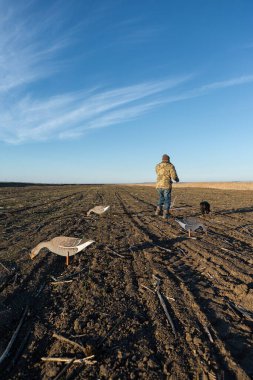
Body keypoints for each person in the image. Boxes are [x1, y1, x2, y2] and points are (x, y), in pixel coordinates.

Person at [155, 154, 179, 219]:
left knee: (161, 198)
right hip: (166, 185)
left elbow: (157, 173)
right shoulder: (170, 166)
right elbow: (174, 176)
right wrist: (177, 180)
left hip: (158, 185)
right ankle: (166, 214)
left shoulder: (157, 166)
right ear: (168, 159)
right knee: (167, 200)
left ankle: (158, 211)